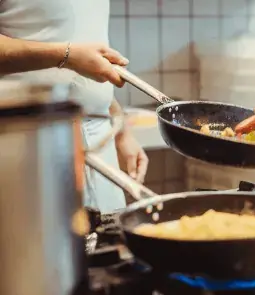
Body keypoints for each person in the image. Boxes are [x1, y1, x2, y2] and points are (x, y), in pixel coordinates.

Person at [0, 0, 149, 213]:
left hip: (100, 149)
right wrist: (65, 55)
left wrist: (119, 127)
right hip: (29, 146)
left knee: (111, 241)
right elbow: (72, 54)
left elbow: (86, 54)